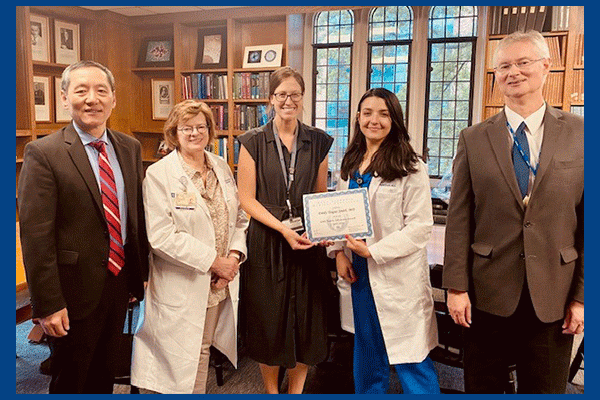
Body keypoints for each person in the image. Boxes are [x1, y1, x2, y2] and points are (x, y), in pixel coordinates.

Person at [443, 30, 584, 394]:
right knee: (483, 387)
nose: (513, 72)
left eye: (523, 63)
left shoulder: (582, 135)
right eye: (504, 65)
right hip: (487, 293)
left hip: (554, 292)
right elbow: (459, 219)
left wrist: (583, 297)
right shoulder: (473, 138)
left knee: (544, 388)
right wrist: (455, 287)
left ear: (545, 67)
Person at [17, 60, 149, 393]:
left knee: (104, 375)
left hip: (118, 285)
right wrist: (47, 304)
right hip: (71, 294)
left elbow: (133, 216)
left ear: (113, 99)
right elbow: (36, 236)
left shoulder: (129, 148)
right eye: (81, 90)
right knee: (72, 381)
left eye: (101, 90)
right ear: (65, 98)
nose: (92, 99)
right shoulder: (43, 153)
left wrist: (138, 274)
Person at [131, 99, 248, 394]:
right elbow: (161, 236)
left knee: (201, 352)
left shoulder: (220, 166)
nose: (195, 133)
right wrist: (214, 261)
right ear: (174, 132)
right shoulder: (159, 175)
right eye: (187, 128)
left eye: (201, 127)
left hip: (217, 282)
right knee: (172, 360)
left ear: (210, 130)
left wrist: (232, 258)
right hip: (182, 282)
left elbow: (239, 217)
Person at [329, 88, 440, 394]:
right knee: (367, 354)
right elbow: (338, 216)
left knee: (411, 360)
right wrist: (338, 253)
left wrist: (373, 250)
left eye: (383, 114)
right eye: (367, 113)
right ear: (358, 118)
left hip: (395, 276)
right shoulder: (350, 164)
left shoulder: (411, 166)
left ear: (395, 120)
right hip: (358, 275)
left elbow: (420, 228)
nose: (373, 120)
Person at [237, 66, 334, 394]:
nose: (288, 100)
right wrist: (282, 229)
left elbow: (320, 195)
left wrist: (325, 229)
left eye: (294, 94)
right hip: (267, 241)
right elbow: (246, 200)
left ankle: (296, 391)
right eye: (281, 94)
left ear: (303, 98)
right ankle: (271, 391)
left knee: (306, 321)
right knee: (269, 321)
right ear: (271, 99)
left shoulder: (319, 141)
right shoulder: (252, 141)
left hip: (306, 242)